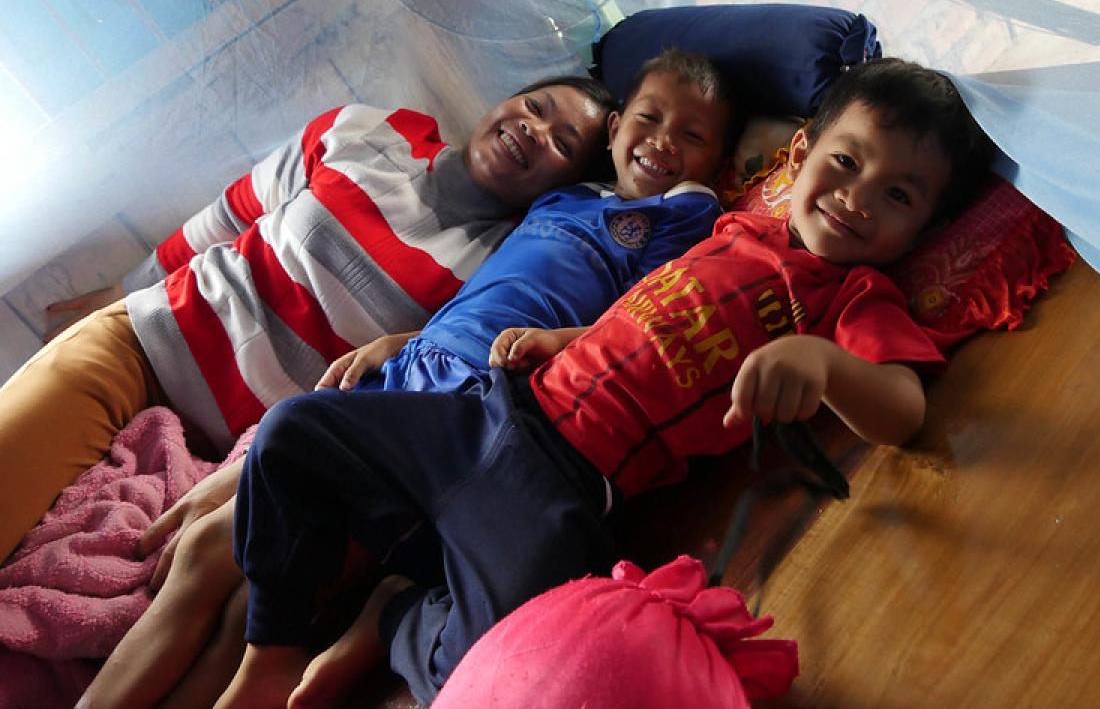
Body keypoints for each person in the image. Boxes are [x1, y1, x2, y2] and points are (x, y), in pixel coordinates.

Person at [212, 57, 997, 708]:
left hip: (563, 489)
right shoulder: (739, 227)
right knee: (292, 433)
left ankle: (404, 621)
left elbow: (904, 409)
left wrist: (826, 364)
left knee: (514, 666)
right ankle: (272, 651)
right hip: (489, 410)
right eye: (846, 163)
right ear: (801, 155)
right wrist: (567, 337)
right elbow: (645, 314)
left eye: (898, 195)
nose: (857, 199)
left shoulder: (856, 299)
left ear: (924, 226)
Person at [77, 48, 741, 709]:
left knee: (249, 597)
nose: (662, 143)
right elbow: (486, 294)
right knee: (202, 553)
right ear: (622, 124)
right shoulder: (561, 200)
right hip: (408, 371)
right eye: (649, 120)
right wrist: (407, 339)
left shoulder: (680, 220)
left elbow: (648, 319)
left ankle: (320, 640)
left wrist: (735, 170)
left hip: (474, 402)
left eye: (692, 137)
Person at [0, 74, 617, 563]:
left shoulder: (505, 267)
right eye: (535, 106)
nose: (534, 130)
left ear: (567, 185)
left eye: (564, 143)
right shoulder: (371, 132)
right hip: (146, 344)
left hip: (234, 458)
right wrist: (122, 288)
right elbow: (233, 211)